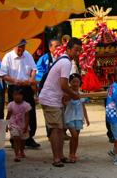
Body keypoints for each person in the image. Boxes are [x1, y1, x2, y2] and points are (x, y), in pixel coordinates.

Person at [38, 37, 82, 167]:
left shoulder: (64, 60)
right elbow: (64, 85)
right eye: (75, 50)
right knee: (56, 129)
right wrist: (73, 94)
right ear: (68, 49)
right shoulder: (66, 62)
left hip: (55, 99)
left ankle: (61, 155)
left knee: (61, 129)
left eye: (80, 51)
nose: (78, 53)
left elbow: (63, 85)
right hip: (50, 98)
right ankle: (56, 157)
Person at [0, 39, 40, 148]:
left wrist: (32, 77)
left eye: (23, 46)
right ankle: (14, 138)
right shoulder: (8, 57)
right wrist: (14, 80)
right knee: (15, 113)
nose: (21, 49)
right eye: (19, 47)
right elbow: (2, 74)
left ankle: (29, 137)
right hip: (15, 87)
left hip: (27, 87)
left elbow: (34, 69)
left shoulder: (28, 55)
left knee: (30, 112)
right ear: (13, 46)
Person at [36, 39, 71, 141]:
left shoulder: (62, 58)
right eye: (56, 46)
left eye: (60, 45)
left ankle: (62, 133)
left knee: (61, 113)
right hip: (49, 89)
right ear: (50, 48)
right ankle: (51, 134)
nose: (59, 48)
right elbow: (39, 71)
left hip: (59, 90)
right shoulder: (44, 58)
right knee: (52, 115)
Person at [63, 73, 90, 161]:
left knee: (76, 137)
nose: (75, 83)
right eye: (73, 82)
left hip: (79, 117)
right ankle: (71, 153)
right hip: (70, 117)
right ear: (69, 83)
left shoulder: (81, 94)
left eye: (77, 82)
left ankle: (73, 153)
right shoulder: (67, 94)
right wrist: (69, 99)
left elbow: (83, 107)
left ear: (80, 83)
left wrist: (86, 118)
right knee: (74, 135)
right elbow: (64, 103)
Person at [5, 86, 31, 162]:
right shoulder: (11, 105)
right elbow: (8, 116)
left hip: (23, 125)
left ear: (23, 95)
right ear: (12, 95)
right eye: (15, 94)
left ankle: (21, 151)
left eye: (19, 94)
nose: (17, 96)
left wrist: (26, 126)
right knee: (16, 139)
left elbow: (27, 117)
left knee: (23, 140)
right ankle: (16, 155)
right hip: (14, 125)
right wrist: (6, 125)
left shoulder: (26, 105)